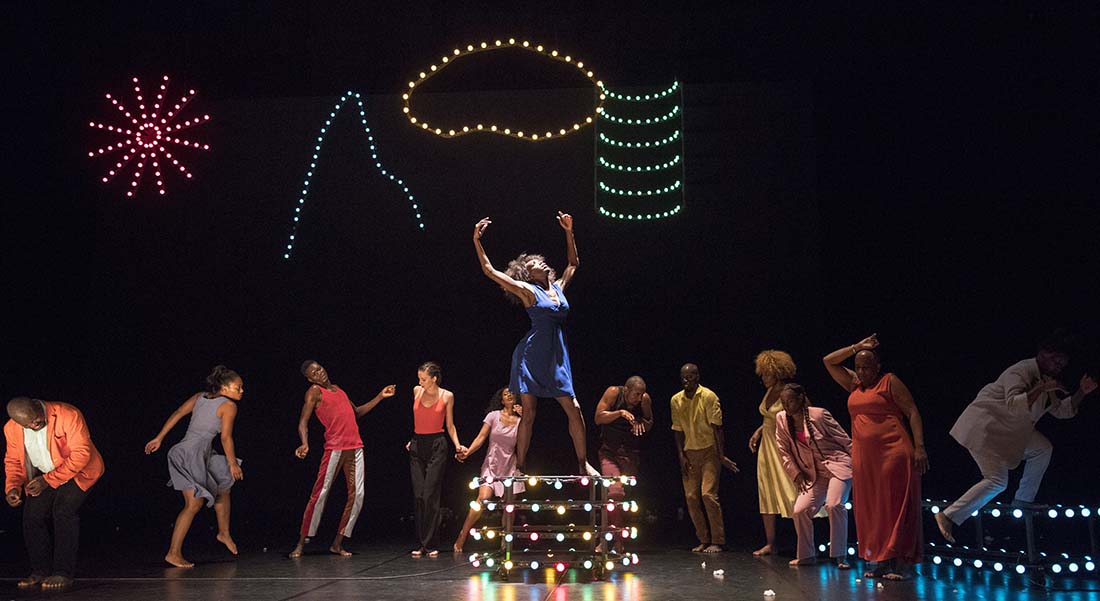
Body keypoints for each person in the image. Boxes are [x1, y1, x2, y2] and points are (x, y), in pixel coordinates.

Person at [935, 332, 1097, 543]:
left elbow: (1060, 410)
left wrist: (1081, 393)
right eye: (1056, 361)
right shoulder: (1021, 371)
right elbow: (1014, 404)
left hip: (1010, 432)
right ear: (1043, 353)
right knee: (997, 481)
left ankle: (1023, 500)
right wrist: (1041, 388)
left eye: (1062, 365)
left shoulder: (1046, 380)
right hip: (986, 428)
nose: (1059, 367)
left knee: (1043, 448)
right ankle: (948, 515)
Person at [473, 212, 593, 475]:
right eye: (529, 266)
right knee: (529, 413)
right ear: (529, 276)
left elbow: (573, 263)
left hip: (557, 355)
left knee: (574, 408)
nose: (534, 263)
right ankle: (521, 466)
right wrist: (477, 240)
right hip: (531, 355)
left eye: (535, 261)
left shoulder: (559, 287)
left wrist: (568, 231)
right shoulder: (529, 292)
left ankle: (583, 463)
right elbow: (489, 271)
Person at [824, 335, 927, 580]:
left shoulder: (889, 381)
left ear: (877, 366)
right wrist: (856, 347)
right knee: (872, 507)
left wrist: (919, 446)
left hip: (894, 451)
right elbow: (828, 361)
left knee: (894, 505)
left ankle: (900, 562)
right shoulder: (853, 383)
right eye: (858, 367)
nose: (861, 371)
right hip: (865, 456)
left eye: (866, 367)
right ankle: (881, 560)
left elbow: (912, 411)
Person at [290, 360, 396, 558]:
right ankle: (301, 543)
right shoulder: (314, 391)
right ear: (310, 379)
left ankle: (337, 543)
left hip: (355, 447)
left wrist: (380, 396)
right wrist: (304, 443)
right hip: (335, 448)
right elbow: (303, 422)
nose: (319, 373)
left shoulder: (339, 390)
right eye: (314, 373)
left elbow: (356, 413)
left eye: (320, 368)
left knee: (357, 495)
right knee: (320, 493)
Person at [145, 365, 245, 568]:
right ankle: (173, 553)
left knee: (223, 484)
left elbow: (178, 413)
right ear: (224, 388)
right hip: (191, 454)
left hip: (196, 453)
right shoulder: (229, 406)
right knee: (194, 504)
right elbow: (226, 438)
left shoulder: (200, 396)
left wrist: (160, 438)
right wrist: (233, 463)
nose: (242, 391)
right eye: (238, 387)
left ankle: (223, 533)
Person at [4, 396, 105, 591]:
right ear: (18, 423)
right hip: (47, 475)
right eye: (28, 423)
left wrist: (47, 480)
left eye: (36, 418)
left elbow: (81, 454)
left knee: (63, 511)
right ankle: (40, 571)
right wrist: (13, 487)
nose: (34, 423)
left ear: (38, 405)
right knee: (32, 516)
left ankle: (63, 572)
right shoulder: (11, 428)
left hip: (80, 471)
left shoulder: (68, 414)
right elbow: (13, 462)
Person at [774, 383, 852, 569]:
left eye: (790, 401)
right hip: (813, 474)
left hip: (837, 467)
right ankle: (807, 555)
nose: (786, 406)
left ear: (801, 398)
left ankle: (840, 555)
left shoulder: (818, 414)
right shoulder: (782, 419)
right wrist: (796, 474)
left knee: (834, 505)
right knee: (800, 510)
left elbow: (845, 441)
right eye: (783, 402)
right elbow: (783, 451)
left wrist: (864, 467)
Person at [671, 363, 738, 553]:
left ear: (697, 377)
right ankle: (703, 538)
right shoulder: (676, 400)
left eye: (690, 376)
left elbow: (717, 428)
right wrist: (681, 455)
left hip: (710, 450)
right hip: (689, 451)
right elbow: (677, 431)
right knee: (691, 497)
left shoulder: (708, 396)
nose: (686, 380)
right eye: (683, 377)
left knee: (708, 494)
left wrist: (721, 455)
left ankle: (717, 540)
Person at [452, 387, 524, 553]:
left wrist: (525, 417)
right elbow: (481, 437)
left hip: (510, 465)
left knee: (509, 506)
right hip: (492, 463)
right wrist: (467, 453)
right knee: (482, 500)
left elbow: (524, 443)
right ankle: (462, 535)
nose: (509, 396)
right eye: (506, 394)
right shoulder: (493, 416)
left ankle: (505, 542)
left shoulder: (521, 421)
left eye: (512, 393)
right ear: (501, 399)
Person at [408, 361, 464, 558]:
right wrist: (412, 440)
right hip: (417, 444)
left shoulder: (446, 395)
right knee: (419, 496)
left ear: (434, 378)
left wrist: (457, 445)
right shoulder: (416, 391)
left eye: (423, 379)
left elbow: (450, 425)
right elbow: (418, 419)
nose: (420, 382)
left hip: (437, 445)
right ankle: (421, 542)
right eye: (419, 379)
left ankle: (430, 543)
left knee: (430, 494)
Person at [747, 350, 800, 557]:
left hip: (782, 447)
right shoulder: (768, 391)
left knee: (791, 493)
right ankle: (771, 543)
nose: (763, 378)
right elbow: (769, 418)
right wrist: (758, 432)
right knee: (766, 492)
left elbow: (805, 415)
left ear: (777, 372)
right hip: (766, 448)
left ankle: (804, 545)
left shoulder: (789, 392)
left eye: (766, 374)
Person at [594, 376, 653, 552]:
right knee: (614, 493)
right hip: (609, 452)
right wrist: (619, 413)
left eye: (641, 394)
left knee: (620, 500)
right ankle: (614, 541)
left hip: (629, 454)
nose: (639, 398)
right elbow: (598, 418)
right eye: (636, 394)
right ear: (626, 390)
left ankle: (616, 538)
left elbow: (649, 422)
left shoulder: (645, 399)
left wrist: (642, 424)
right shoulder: (613, 393)